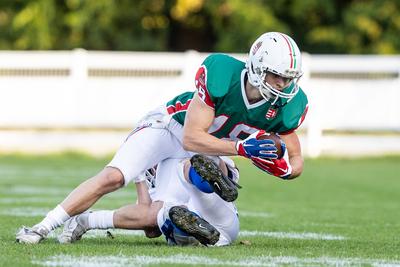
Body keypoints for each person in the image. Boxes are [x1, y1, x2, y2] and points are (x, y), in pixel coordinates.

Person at [16, 31, 308, 244]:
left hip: (207, 151)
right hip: (168, 129)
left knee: (160, 219)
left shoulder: (286, 105)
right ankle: (42, 227)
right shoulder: (222, 74)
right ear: (257, 68)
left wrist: (285, 170)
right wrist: (243, 148)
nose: (284, 85)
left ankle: (174, 208)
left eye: (289, 78)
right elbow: (192, 137)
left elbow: (295, 158)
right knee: (114, 177)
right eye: (278, 76)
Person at [57, 155, 240, 246]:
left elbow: (227, 180)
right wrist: (140, 177)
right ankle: (84, 220)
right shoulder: (159, 169)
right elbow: (150, 231)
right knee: (164, 210)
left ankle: (86, 220)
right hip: (226, 227)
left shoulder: (191, 143)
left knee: (166, 207)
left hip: (208, 211)